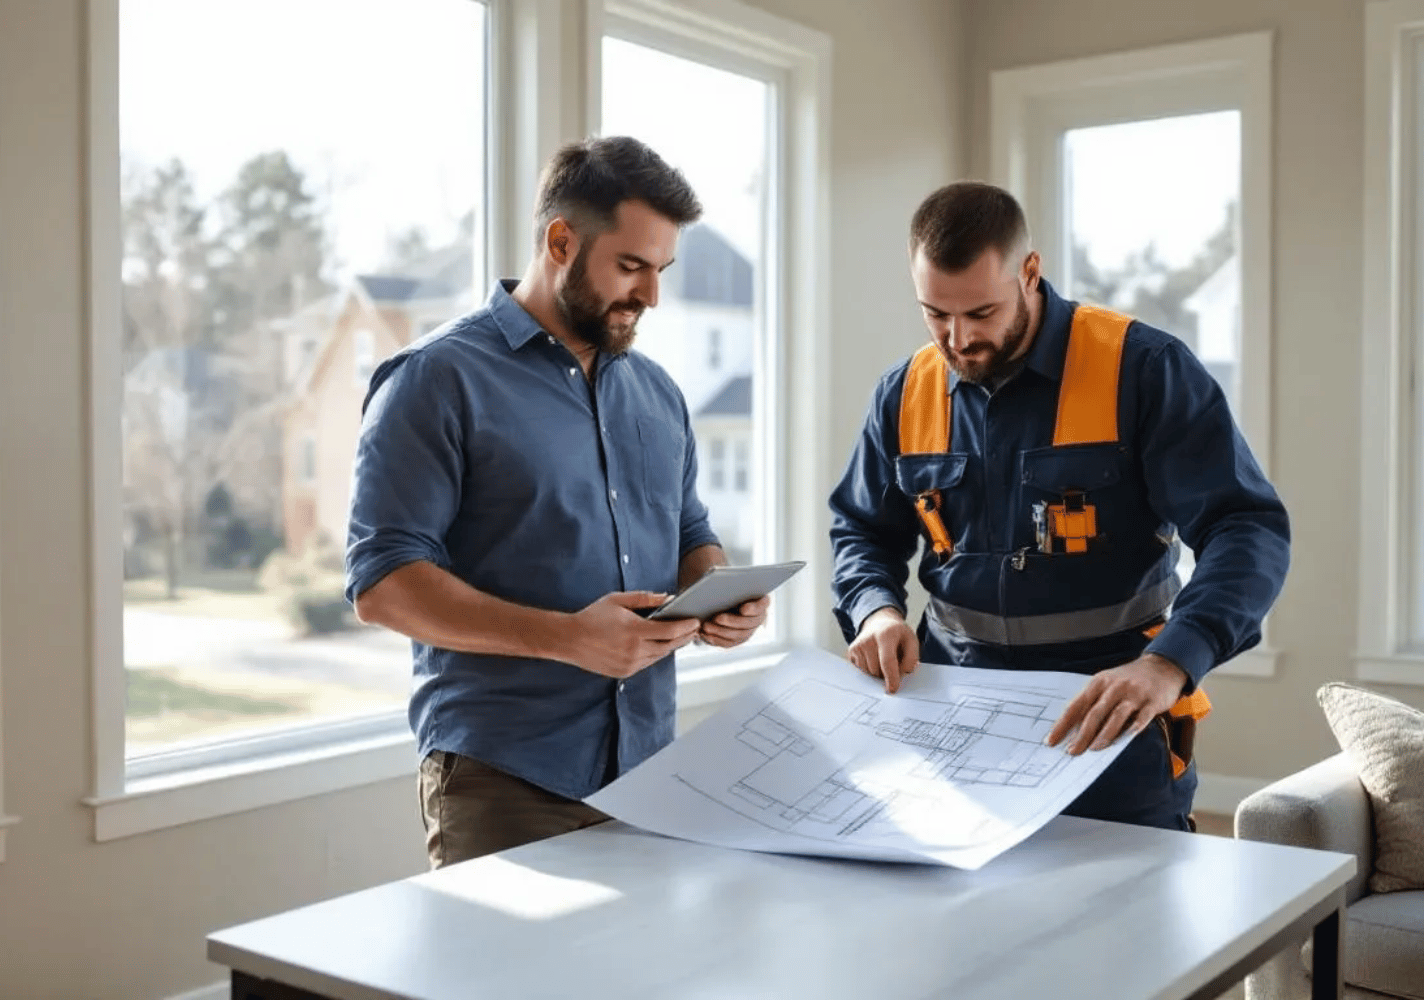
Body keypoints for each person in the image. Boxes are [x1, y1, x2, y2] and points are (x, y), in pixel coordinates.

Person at [345, 136, 770, 868]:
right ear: (561, 241)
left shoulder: (658, 392)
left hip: (647, 772)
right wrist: (567, 637)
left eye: (661, 270)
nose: (651, 295)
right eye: (631, 266)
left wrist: (715, 592)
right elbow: (383, 585)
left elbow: (690, 529)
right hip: (503, 781)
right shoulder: (436, 379)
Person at [829, 181, 1289, 831]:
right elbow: (861, 529)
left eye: (981, 313)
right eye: (935, 313)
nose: (957, 341)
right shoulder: (903, 392)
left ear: (1031, 273)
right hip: (949, 713)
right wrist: (874, 611)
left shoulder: (1144, 367)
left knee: (1124, 922)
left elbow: (1246, 528)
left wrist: (1172, 662)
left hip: (1109, 722)